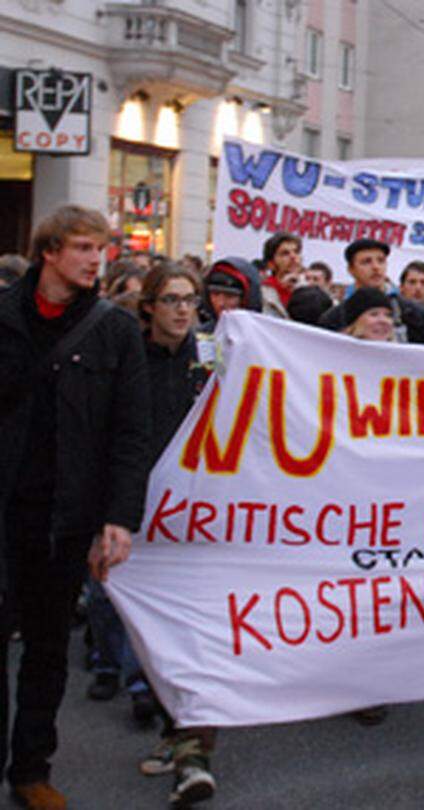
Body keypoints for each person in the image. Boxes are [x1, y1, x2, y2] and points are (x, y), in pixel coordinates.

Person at [0, 205, 151, 810]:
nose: (96, 260)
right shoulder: (4, 315)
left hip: (66, 519)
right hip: (5, 511)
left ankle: (31, 769)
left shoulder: (115, 330)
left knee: (46, 649)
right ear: (50, 252)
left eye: (102, 248)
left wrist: (118, 517)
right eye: (84, 247)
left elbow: (130, 432)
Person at [130, 263, 220, 807]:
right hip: (139, 517)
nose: (183, 310)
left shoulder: (212, 358)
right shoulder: (126, 358)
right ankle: (175, 731)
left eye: (190, 301)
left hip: (202, 519)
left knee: (195, 638)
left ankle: (193, 755)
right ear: (148, 307)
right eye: (171, 300)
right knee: (154, 639)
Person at [317, 239, 424, 344]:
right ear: (351, 269)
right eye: (366, 262)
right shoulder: (333, 318)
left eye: (381, 261)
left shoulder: (412, 313)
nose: (376, 267)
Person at [199, 257, 263, 330]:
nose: (220, 303)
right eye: (215, 294)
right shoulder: (199, 337)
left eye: (229, 296)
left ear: (246, 300)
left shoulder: (262, 337)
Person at [259, 233, 303, 318]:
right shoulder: (261, 294)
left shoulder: (311, 291)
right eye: (285, 253)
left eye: (296, 252)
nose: (293, 257)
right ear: (270, 264)